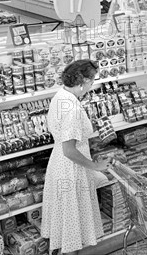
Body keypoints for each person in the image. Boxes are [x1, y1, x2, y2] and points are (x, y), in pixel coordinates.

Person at [41, 60, 112, 255]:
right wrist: (95, 166)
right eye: (92, 81)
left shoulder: (61, 96)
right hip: (71, 170)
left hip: (59, 165)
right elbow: (70, 150)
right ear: (83, 81)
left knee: (64, 222)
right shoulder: (71, 108)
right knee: (71, 226)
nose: (92, 86)